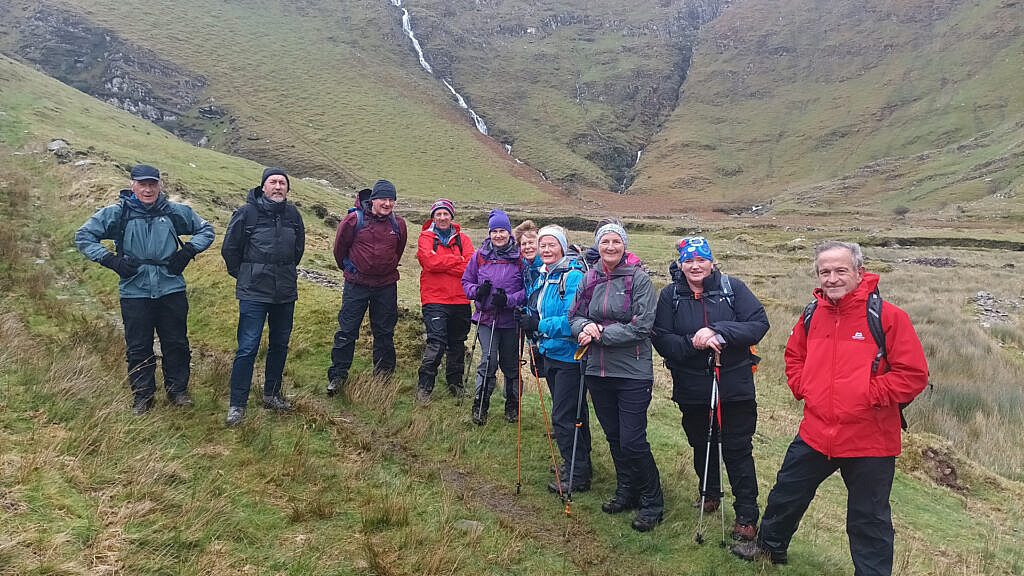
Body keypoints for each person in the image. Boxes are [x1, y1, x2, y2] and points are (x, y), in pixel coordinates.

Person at [732, 241, 929, 575]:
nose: (833, 278)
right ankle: (769, 548)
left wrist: (867, 394)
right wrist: (804, 385)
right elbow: (794, 357)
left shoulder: (889, 317)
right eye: (825, 271)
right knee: (787, 494)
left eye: (841, 270)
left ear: (859, 272)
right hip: (816, 430)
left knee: (868, 518)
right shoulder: (812, 314)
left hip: (870, 439)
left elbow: (913, 375)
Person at [652, 236, 769, 541]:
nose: (695, 266)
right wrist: (692, 342)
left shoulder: (733, 289)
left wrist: (719, 332)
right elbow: (661, 338)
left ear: (711, 262)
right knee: (700, 442)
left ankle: (746, 515)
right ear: (680, 264)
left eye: (701, 260)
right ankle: (710, 493)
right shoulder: (670, 296)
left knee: (737, 449)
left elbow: (758, 324)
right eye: (688, 261)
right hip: (691, 385)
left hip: (734, 384)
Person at [75, 164, 214, 415]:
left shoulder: (173, 211)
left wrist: (189, 252)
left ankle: (178, 392)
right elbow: (84, 236)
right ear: (133, 186)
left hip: (171, 288)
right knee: (138, 346)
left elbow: (206, 229)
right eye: (142, 184)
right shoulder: (117, 213)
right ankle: (143, 397)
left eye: (152, 184)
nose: (148, 189)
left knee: (176, 343)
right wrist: (110, 260)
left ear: (160, 186)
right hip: (134, 290)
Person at [570, 222, 663, 532]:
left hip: (633, 372)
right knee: (614, 436)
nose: (610, 247)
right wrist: (583, 327)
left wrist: (600, 334)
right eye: (605, 241)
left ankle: (652, 501)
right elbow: (575, 315)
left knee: (633, 440)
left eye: (616, 241)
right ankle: (627, 490)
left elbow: (642, 326)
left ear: (625, 245)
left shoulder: (639, 279)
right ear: (599, 245)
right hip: (597, 370)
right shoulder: (590, 277)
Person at [220, 167, 305, 426]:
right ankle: (237, 405)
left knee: (280, 345)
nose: (278, 187)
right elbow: (230, 249)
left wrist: (283, 272)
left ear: (287, 189)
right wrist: (247, 274)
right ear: (263, 187)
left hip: (285, 291)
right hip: (254, 292)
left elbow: (298, 249)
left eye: (282, 183)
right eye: (273, 182)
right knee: (248, 347)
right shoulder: (247, 213)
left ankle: (272, 394)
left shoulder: (292, 214)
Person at [520, 225, 592, 493]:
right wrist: (529, 321)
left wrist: (539, 324)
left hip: (569, 356)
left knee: (563, 416)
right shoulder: (544, 275)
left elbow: (572, 320)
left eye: (552, 245)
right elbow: (537, 308)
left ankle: (576, 474)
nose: (546, 250)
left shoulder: (572, 277)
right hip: (550, 352)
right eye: (543, 245)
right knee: (574, 413)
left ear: (562, 246)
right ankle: (578, 464)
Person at [327, 179, 408, 396]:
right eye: (383, 198)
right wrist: (351, 269)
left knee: (384, 332)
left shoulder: (398, 224)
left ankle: (383, 376)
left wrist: (386, 268)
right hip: (357, 285)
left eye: (391, 199)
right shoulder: (354, 220)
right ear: (373, 200)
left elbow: (398, 251)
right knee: (347, 330)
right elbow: (339, 249)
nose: (387, 203)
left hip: (386, 286)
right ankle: (337, 375)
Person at [461, 209, 525, 425]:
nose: (498, 235)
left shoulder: (519, 259)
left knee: (510, 364)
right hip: (486, 319)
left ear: (509, 233)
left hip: (510, 321)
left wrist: (508, 299)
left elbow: (527, 291)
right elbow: (466, 282)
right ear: (489, 233)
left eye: (502, 231)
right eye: (494, 231)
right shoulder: (479, 257)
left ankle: (512, 405)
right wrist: (476, 292)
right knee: (488, 361)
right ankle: (480, 405)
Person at [415, 198, 475, 402]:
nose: (442, 217)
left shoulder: (463, 239)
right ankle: (424, 387)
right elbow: (429, 263)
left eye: (445, 214)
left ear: (451, 216)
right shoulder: (425, 237)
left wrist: (443, 263)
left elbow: (469, 266)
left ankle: (455, 384)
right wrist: (456, 261)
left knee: (457, 344)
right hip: (435, 299)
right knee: (436, 343)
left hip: (460, 300)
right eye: (438, 214)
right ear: (433, 217)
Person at [514, 219, 541, 289]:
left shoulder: (548, 267)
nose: (527, 247)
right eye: (523, 244)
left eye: (531, 242)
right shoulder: (524, 268)